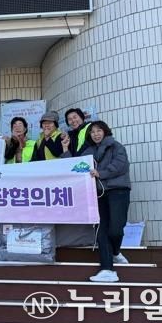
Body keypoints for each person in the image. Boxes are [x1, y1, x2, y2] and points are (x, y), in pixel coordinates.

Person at [68, 121, 131, 283]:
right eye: (92, 132)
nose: (95, 134)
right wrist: (65, 150)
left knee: (116, 229)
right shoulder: (88, 152)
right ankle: (107, 269)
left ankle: (115, 252)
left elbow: (121, 166)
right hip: (97, 193)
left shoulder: (116, 147)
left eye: (99, 131)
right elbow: (74, 166)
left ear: (105, 132)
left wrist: (101, 173)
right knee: (101, 230)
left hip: (118, 191)